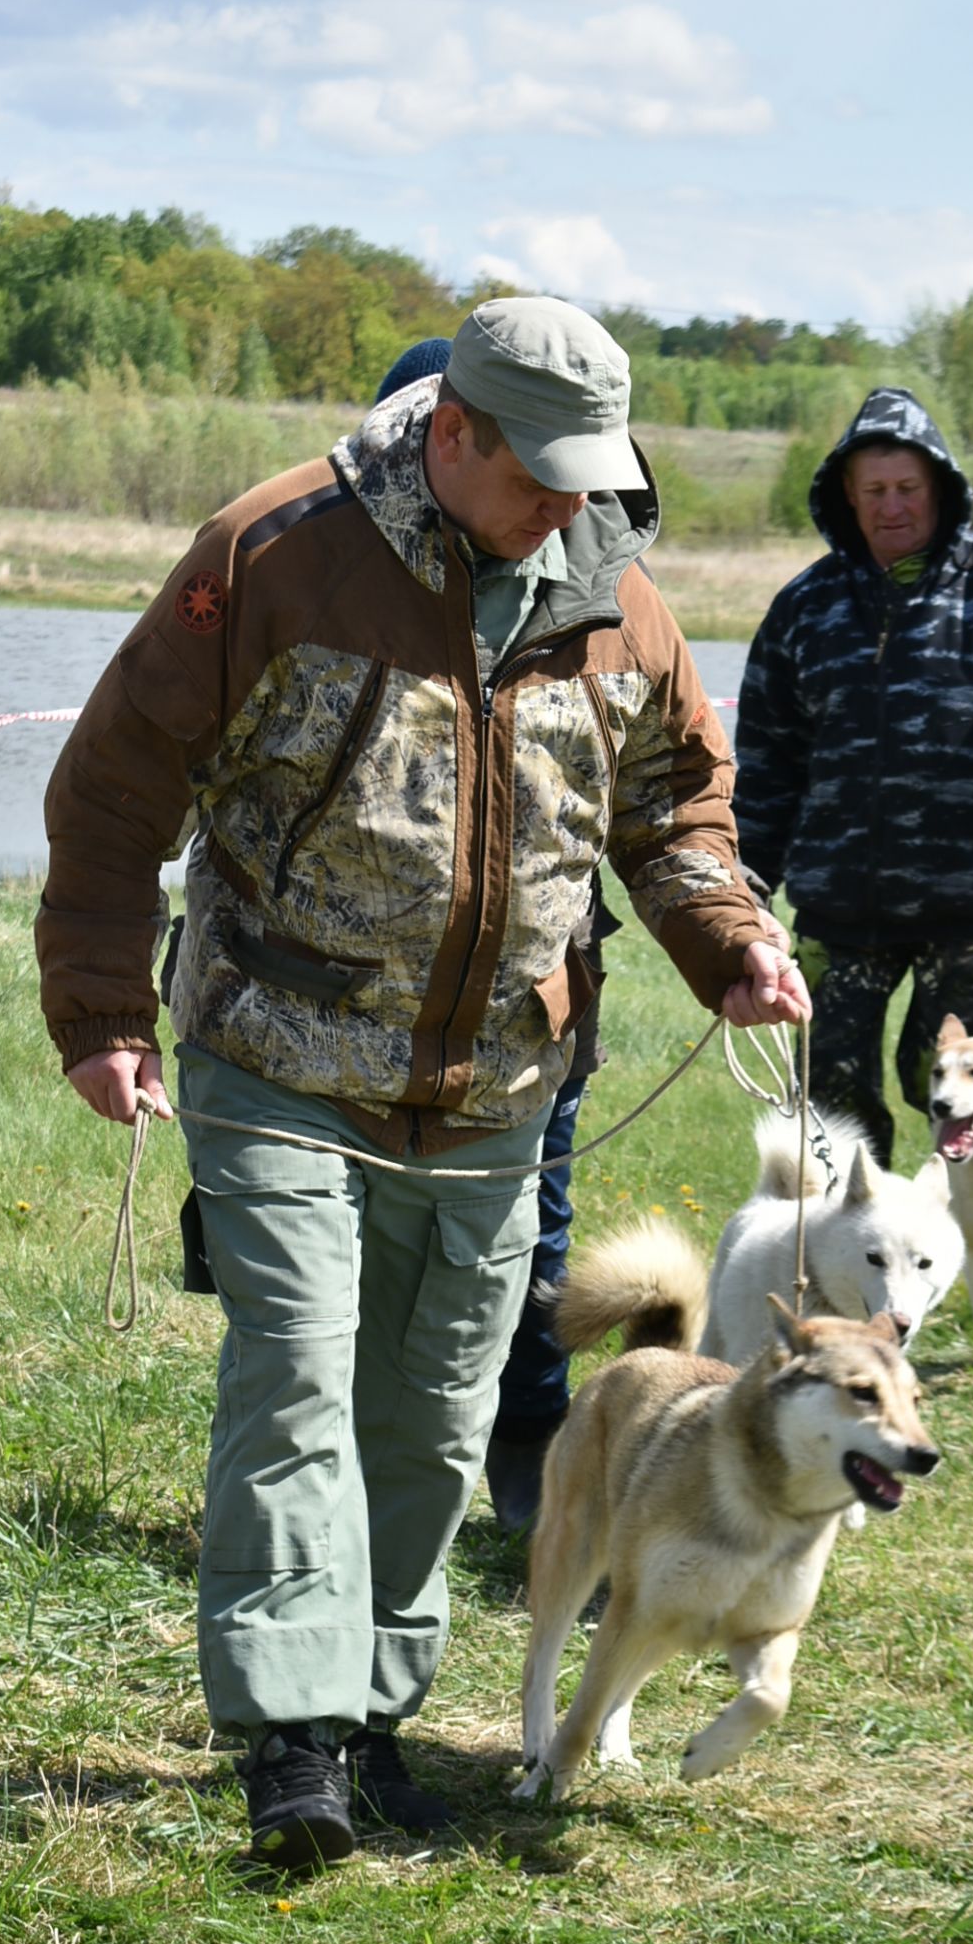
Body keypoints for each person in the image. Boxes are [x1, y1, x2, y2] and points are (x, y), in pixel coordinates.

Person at [39, 296, 810, 1874]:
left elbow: (674, 817)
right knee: (297, 1387)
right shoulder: (271, 556)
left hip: (500, 1088)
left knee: (440, 1411)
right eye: (540, 472)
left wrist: (726, 937)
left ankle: (377, 1713)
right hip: (279, 1055)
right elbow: (118, 789)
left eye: (591, 474)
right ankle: (289, 1736)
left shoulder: (621, 601)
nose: (571, 505)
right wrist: (104, 1007)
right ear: (452, 433)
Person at [732, 388, 973, 1170]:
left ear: (939, 487)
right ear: (847, 496)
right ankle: (852, 1268)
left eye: (908, 489)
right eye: (874, 491)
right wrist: (744, 875)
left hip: (969, 903)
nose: (893, 507)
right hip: (840, 903)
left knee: (947, 1084)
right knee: (833, 1098)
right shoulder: (804, 607)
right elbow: (770, 756)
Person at [368, 334, 606, 1543]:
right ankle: (344, 1495)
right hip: (340, 1025)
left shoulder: (585, 590)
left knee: (529, 1252)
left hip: (531, 1016)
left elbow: (660, 788)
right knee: (342, 1273)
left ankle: (531, 1470)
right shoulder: (326, 574)